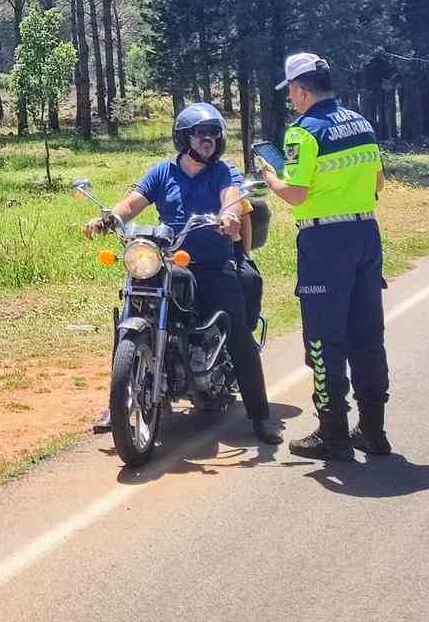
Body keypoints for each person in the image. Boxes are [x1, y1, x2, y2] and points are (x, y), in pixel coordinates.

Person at [84, 102, 281, 446]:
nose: (209, 140)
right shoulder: (162, 172)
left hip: (212, 266)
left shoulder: (223, 172)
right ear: (183, 137)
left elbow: (231, 198)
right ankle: (119, 402)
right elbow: (132, 203)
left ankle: (260, 415)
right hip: (168, 262)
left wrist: (230, 216)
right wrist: (108, 219)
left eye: (214, 134)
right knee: (130, 314)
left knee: (237, 331)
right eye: (200, 134)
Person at [258, 53, 391, 461]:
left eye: (291, 92)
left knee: (323, 338)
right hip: (366, 233)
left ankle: (332, 434)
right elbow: (379, 183)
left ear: (300, 90)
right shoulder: (361, 123)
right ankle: (373, 430)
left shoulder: (304, 132)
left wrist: (270, 176)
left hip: (324, 241)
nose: (291, 99)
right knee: (367, 335)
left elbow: (296, 193)